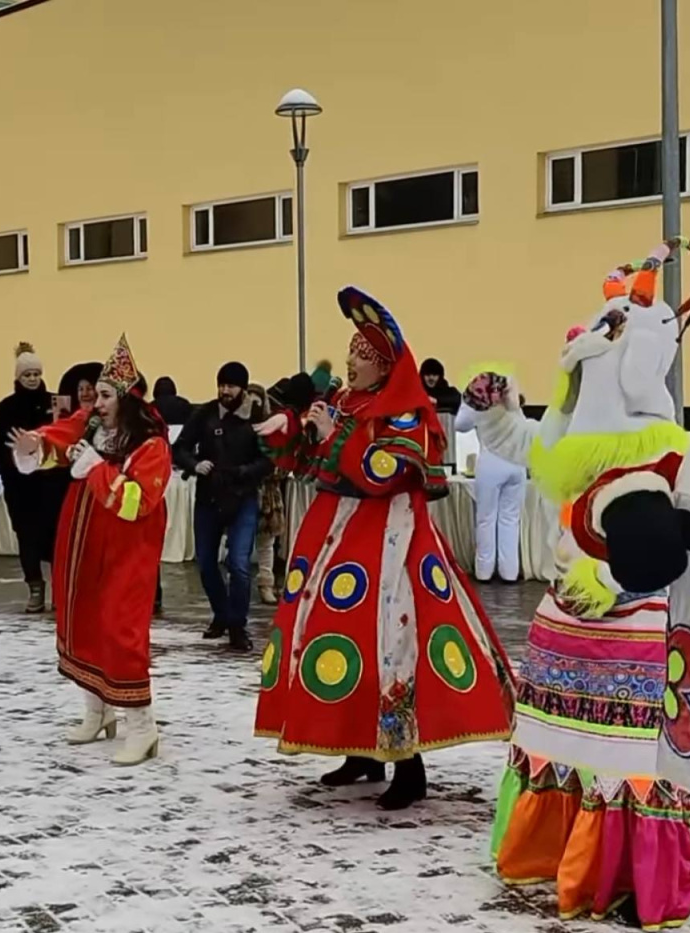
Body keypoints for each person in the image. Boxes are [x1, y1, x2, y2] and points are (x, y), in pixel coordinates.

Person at [492, 237, 690, 930]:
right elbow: (529, 448)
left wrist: (647, 533)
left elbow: (657, 547)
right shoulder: (581, 447)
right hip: (573, 642)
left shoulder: (648, 459)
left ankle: (616, 866)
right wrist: (497, 413)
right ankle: (568, 852)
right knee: (573, 753)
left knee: (615, 763)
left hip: (625, 646)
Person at [254, 286, 516, 810]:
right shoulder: (345, 403)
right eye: (351, 352)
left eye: (363, 356)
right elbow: (311, 464)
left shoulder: (406, 414)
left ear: (385, 367)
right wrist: (290, 432)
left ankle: (407, 761)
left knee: (390, 643)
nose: (351, 362)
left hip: (389, 544)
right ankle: (361, 750)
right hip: (338, 538)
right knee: (334, 634)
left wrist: (335, 438)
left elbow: (388, 471)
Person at [10, 334, 171, 766]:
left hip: (125, 550)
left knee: (122, 630)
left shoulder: (151, 445)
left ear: (126, 399)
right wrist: (36, 445)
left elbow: (137, 502)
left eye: (103, 395)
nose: (94, 402)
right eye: (95, 395)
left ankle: (143, 727)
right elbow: (59, 438)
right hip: (82, 542)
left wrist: (97, 471)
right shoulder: (94, 426)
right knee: (81, 616)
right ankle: (97, 711)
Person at [174, 361, 272, 652]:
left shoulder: (256, 417)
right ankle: (221, 614)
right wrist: (194, 463)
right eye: (221, 385)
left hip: (243, 499)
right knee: (206, 563)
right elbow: (178, 448)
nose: (224, 391)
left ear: (243, 387)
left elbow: (269, 459)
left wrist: (243, 472)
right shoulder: (204, 414)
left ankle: (237, 625)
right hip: (208, 498)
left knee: (239, 565)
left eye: (230, 385)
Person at [0, 343, 55, 613]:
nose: (32, 379)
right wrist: (9, 469)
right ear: (18, 377)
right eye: (27, 375)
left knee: (54, 536)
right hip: (20, 488)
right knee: (26, 537)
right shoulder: (8, 407)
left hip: (50, 485)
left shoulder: (53, 403)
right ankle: (35, 588)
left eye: (36, 374)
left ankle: (60, 589)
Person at [455, 370, 535, 583]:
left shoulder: (477, 408)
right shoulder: (513, 406)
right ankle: (509, 572)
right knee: (510, 520)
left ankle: (484, 571)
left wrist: (467, 402)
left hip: (490, 466)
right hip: (517, 466)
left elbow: (459, 426)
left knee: (486, 519)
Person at [248, 382, 285, 606]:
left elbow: (282, 461)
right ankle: (238, 584)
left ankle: (266, 584)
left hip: (268, 494)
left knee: (266, 543)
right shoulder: (238, 426)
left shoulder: (272, 430)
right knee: (238, 544)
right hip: (243, 491)